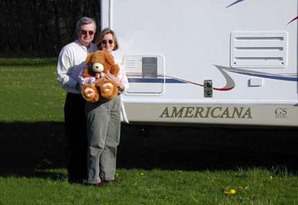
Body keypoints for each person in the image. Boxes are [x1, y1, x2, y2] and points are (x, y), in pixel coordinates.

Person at [79, 28, 129, 186]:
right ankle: (94, 179)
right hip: (97, 103)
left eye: (110, 41)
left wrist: (116, 82)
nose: (107, 44)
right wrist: (95, 79)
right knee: (97, 142)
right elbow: (82, 80)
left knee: (112, 141)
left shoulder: (117, 64)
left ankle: (108, 175)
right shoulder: (94, 61)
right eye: (104, 41)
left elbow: (125, 85)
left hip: (115, 101)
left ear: (114, 44)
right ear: (99, 43)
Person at [57, 17, 97, 184]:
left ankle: (91, 173)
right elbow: (61, 75)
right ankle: (75, 176)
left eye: (90, 32)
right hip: (75, 98)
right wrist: (79, 86)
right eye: (83, 31)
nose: (87, 35)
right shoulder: (68, 50)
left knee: (91, 137)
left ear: (94, 33)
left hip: (94, 99)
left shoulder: (96, 48)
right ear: (77, 31)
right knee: (75, 138)